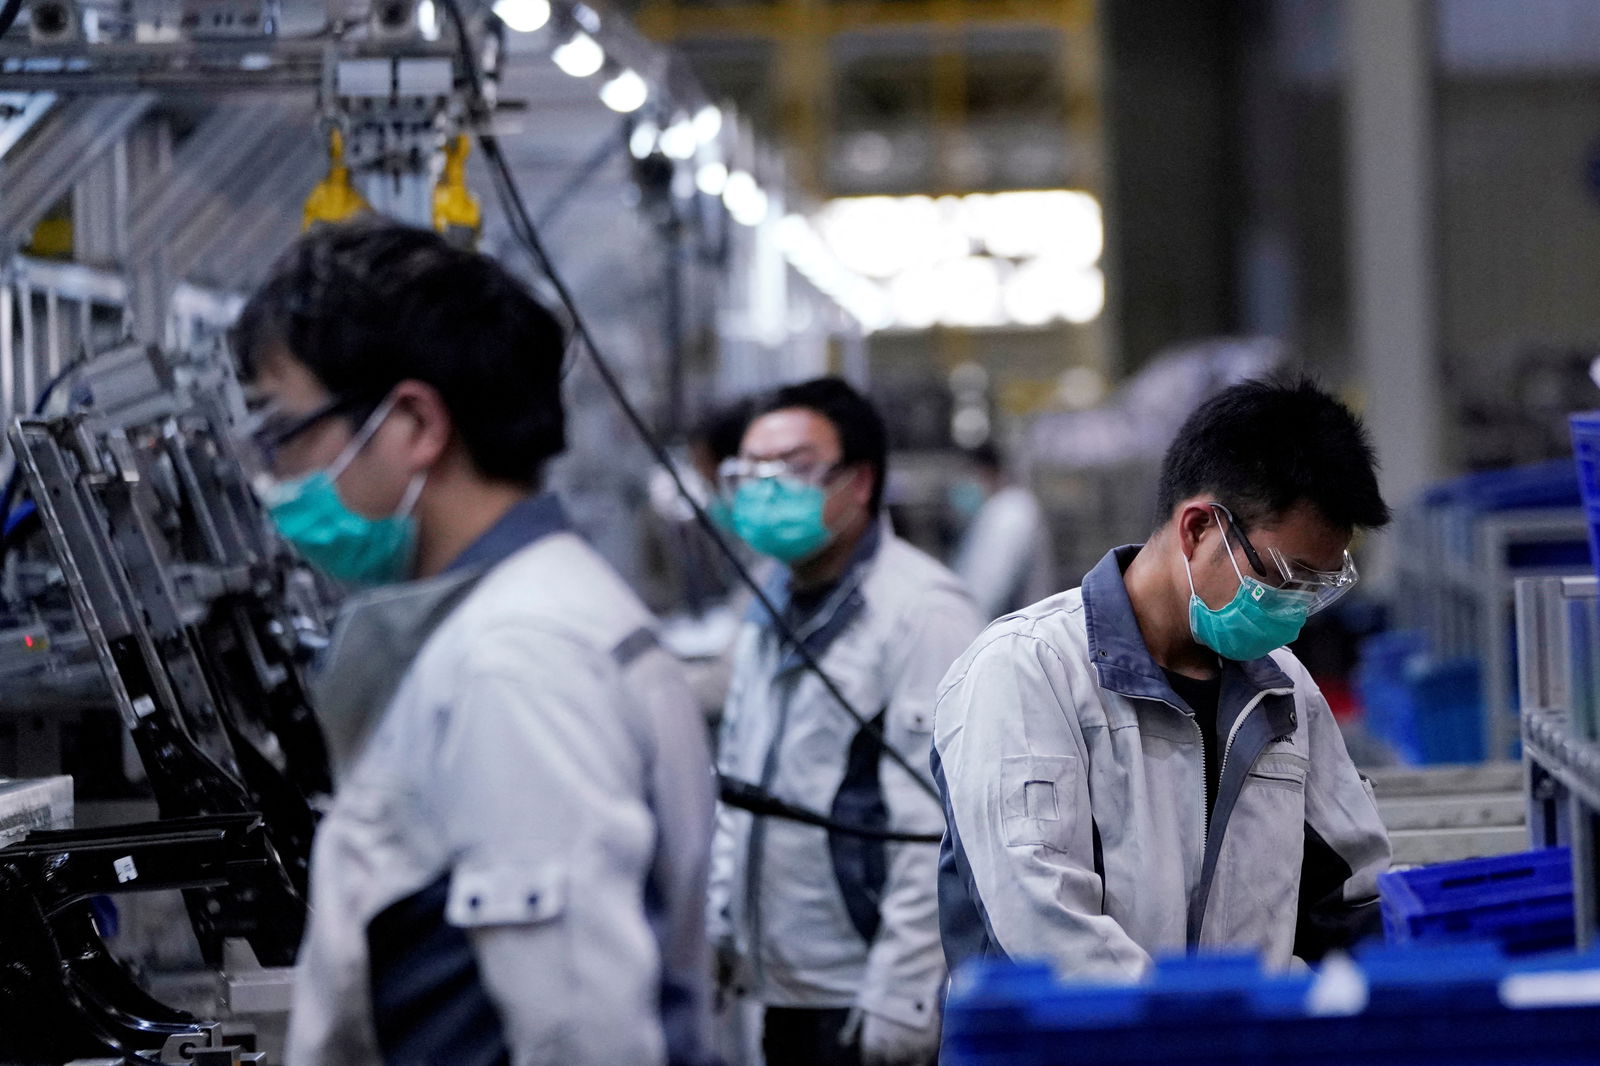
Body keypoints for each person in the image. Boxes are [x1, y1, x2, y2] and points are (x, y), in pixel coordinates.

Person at [232, 219, 715, 1066]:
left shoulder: (515, 660)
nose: (275, 478)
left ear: (415, 423)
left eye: (285, 433)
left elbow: (580, 1034)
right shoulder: (534, 614)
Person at [933, 379, 1392, 983]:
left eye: (1319, 587)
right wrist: (1189, 1025)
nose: (1299, 609)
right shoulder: (1028, 671)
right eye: (1287, 578)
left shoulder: (1283, 691)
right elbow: (1041, 927)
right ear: (1199, 528)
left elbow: (1351, 900)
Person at [709, 378, 984, 1066]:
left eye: (795, 468)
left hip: (864, 995)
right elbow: (738, 782)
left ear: (860, 482)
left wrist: (906, 992)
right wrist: (722, 925)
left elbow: (938, 827)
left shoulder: (922, 612)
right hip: (781, 983)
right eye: (749, 471)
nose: (766, 489)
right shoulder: (770, 601)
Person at [949, 442, 1057, 620]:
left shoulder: (1011, 512)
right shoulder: (995, 510)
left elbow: (988, 591)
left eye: (969, 476)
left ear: (988, 473)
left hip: (1013, 632)